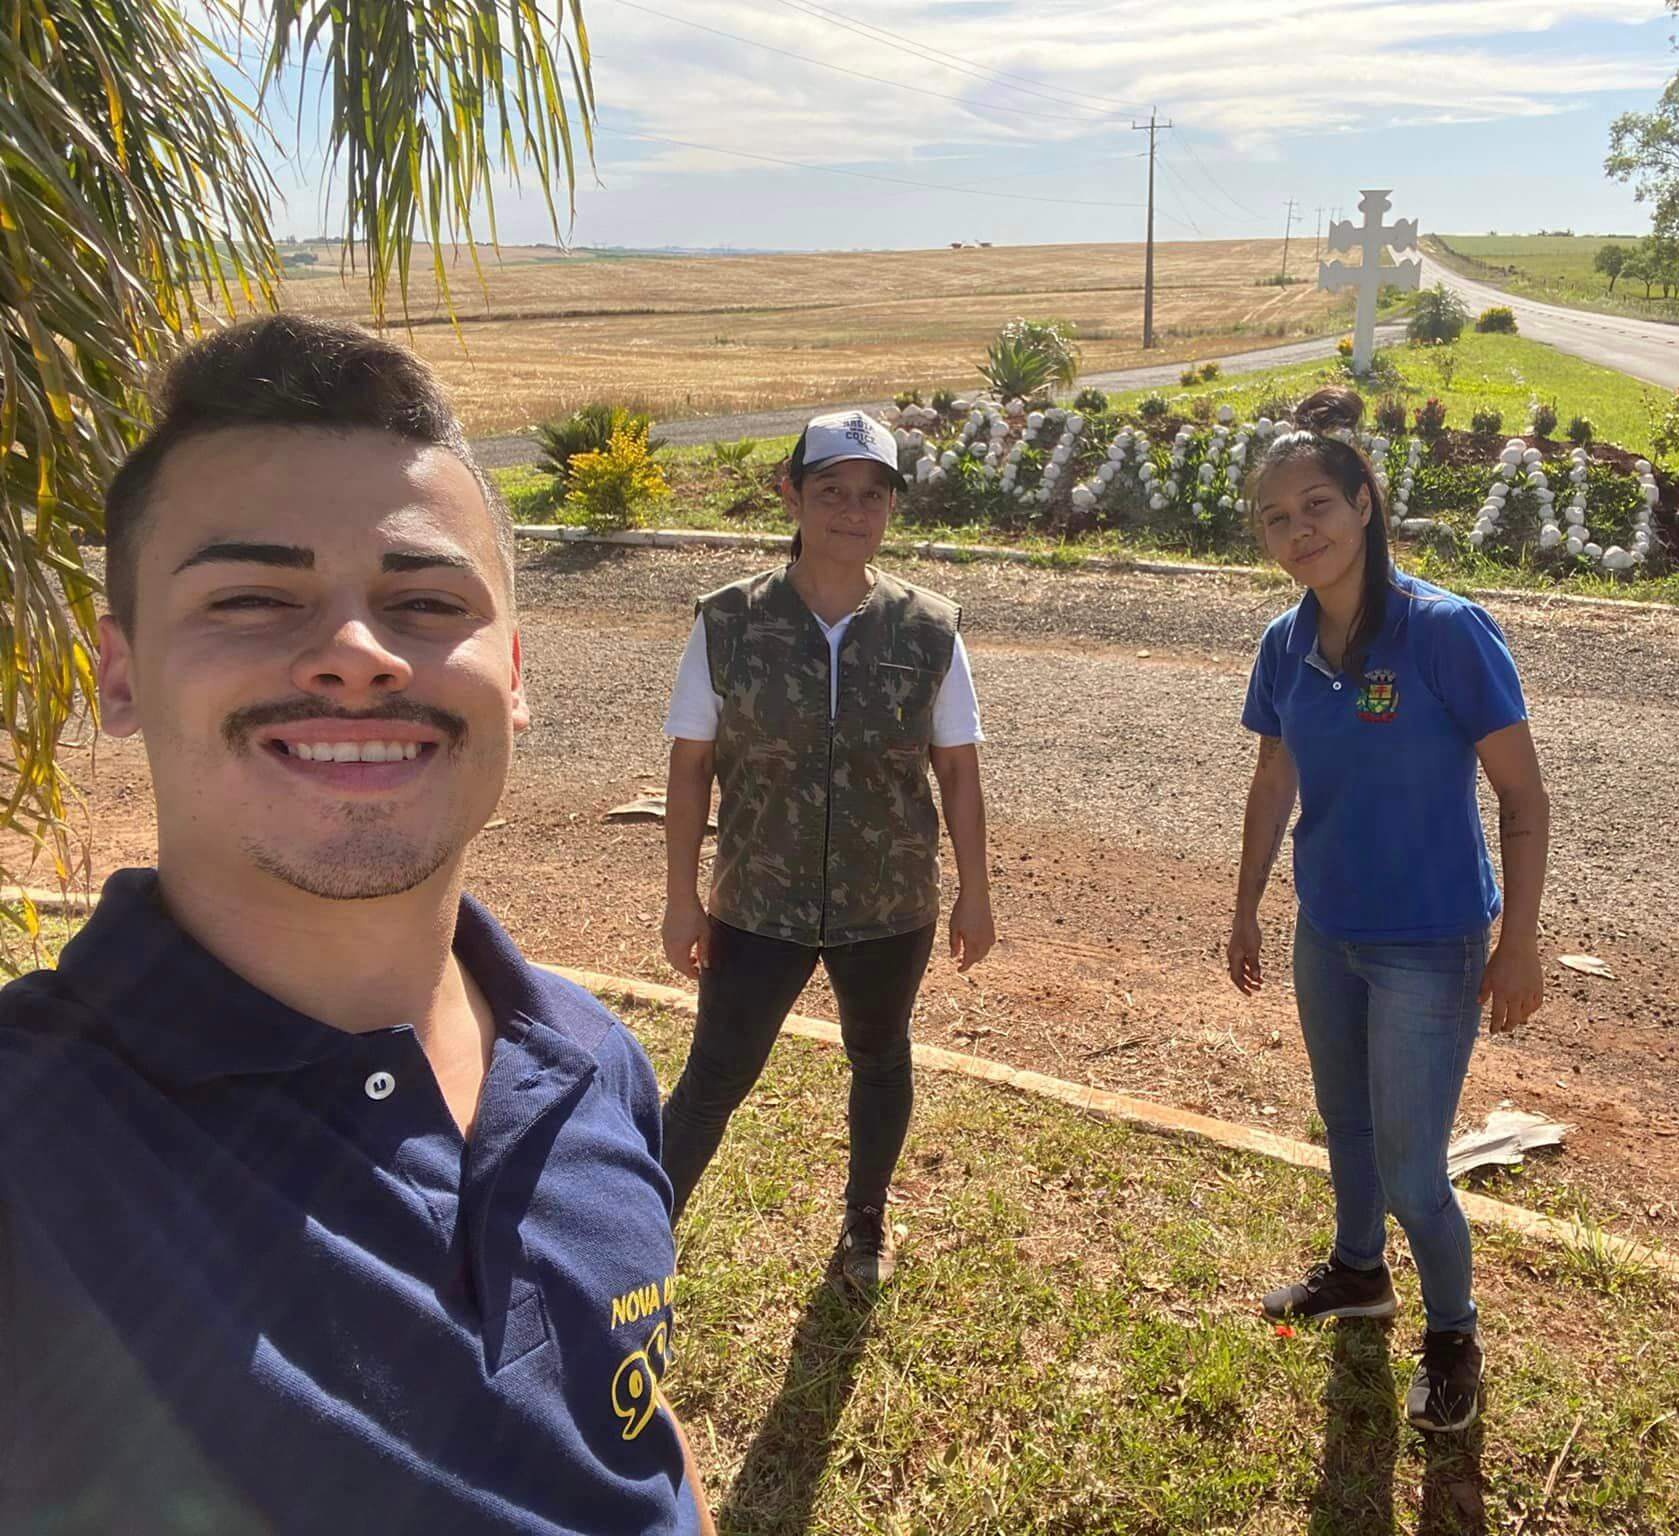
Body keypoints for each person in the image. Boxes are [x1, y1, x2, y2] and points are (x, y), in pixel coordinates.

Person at [0, 316, 713, 1533]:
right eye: (251, 598)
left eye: (425, 600)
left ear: (514, 674)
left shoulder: (593, 1062)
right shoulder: (35, 1147)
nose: (355, 655)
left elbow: (628, 1426)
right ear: (120, 675)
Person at [1228, 387, 1551, 1435]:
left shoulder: (1445, 632)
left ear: (1364, 504)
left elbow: (1522, 796)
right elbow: (1273, 779)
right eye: (1276, 518)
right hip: (1326, 930)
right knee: (1349, 1126)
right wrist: (1245, 906)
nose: (1298, 532)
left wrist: (1518, 944)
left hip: (1429, 943)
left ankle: (1453, 1335)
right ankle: (1358, 1274)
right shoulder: (1284, 644)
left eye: (1316, 505)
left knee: (1415, 1171)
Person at [658, 409, 995, 1288]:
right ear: (792, 495)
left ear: (891, 507)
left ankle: (865, 1224)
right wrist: (681, 898)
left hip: (889, 901)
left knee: (880, 1059)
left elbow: (957, 771)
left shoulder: (929, 627)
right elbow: (690, 768)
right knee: (714, 1077)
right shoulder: (729, 621)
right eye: (832, 491)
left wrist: (976, 891)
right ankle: (635, 1230)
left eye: (872, 495)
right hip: (755, 899)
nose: (852, 511)